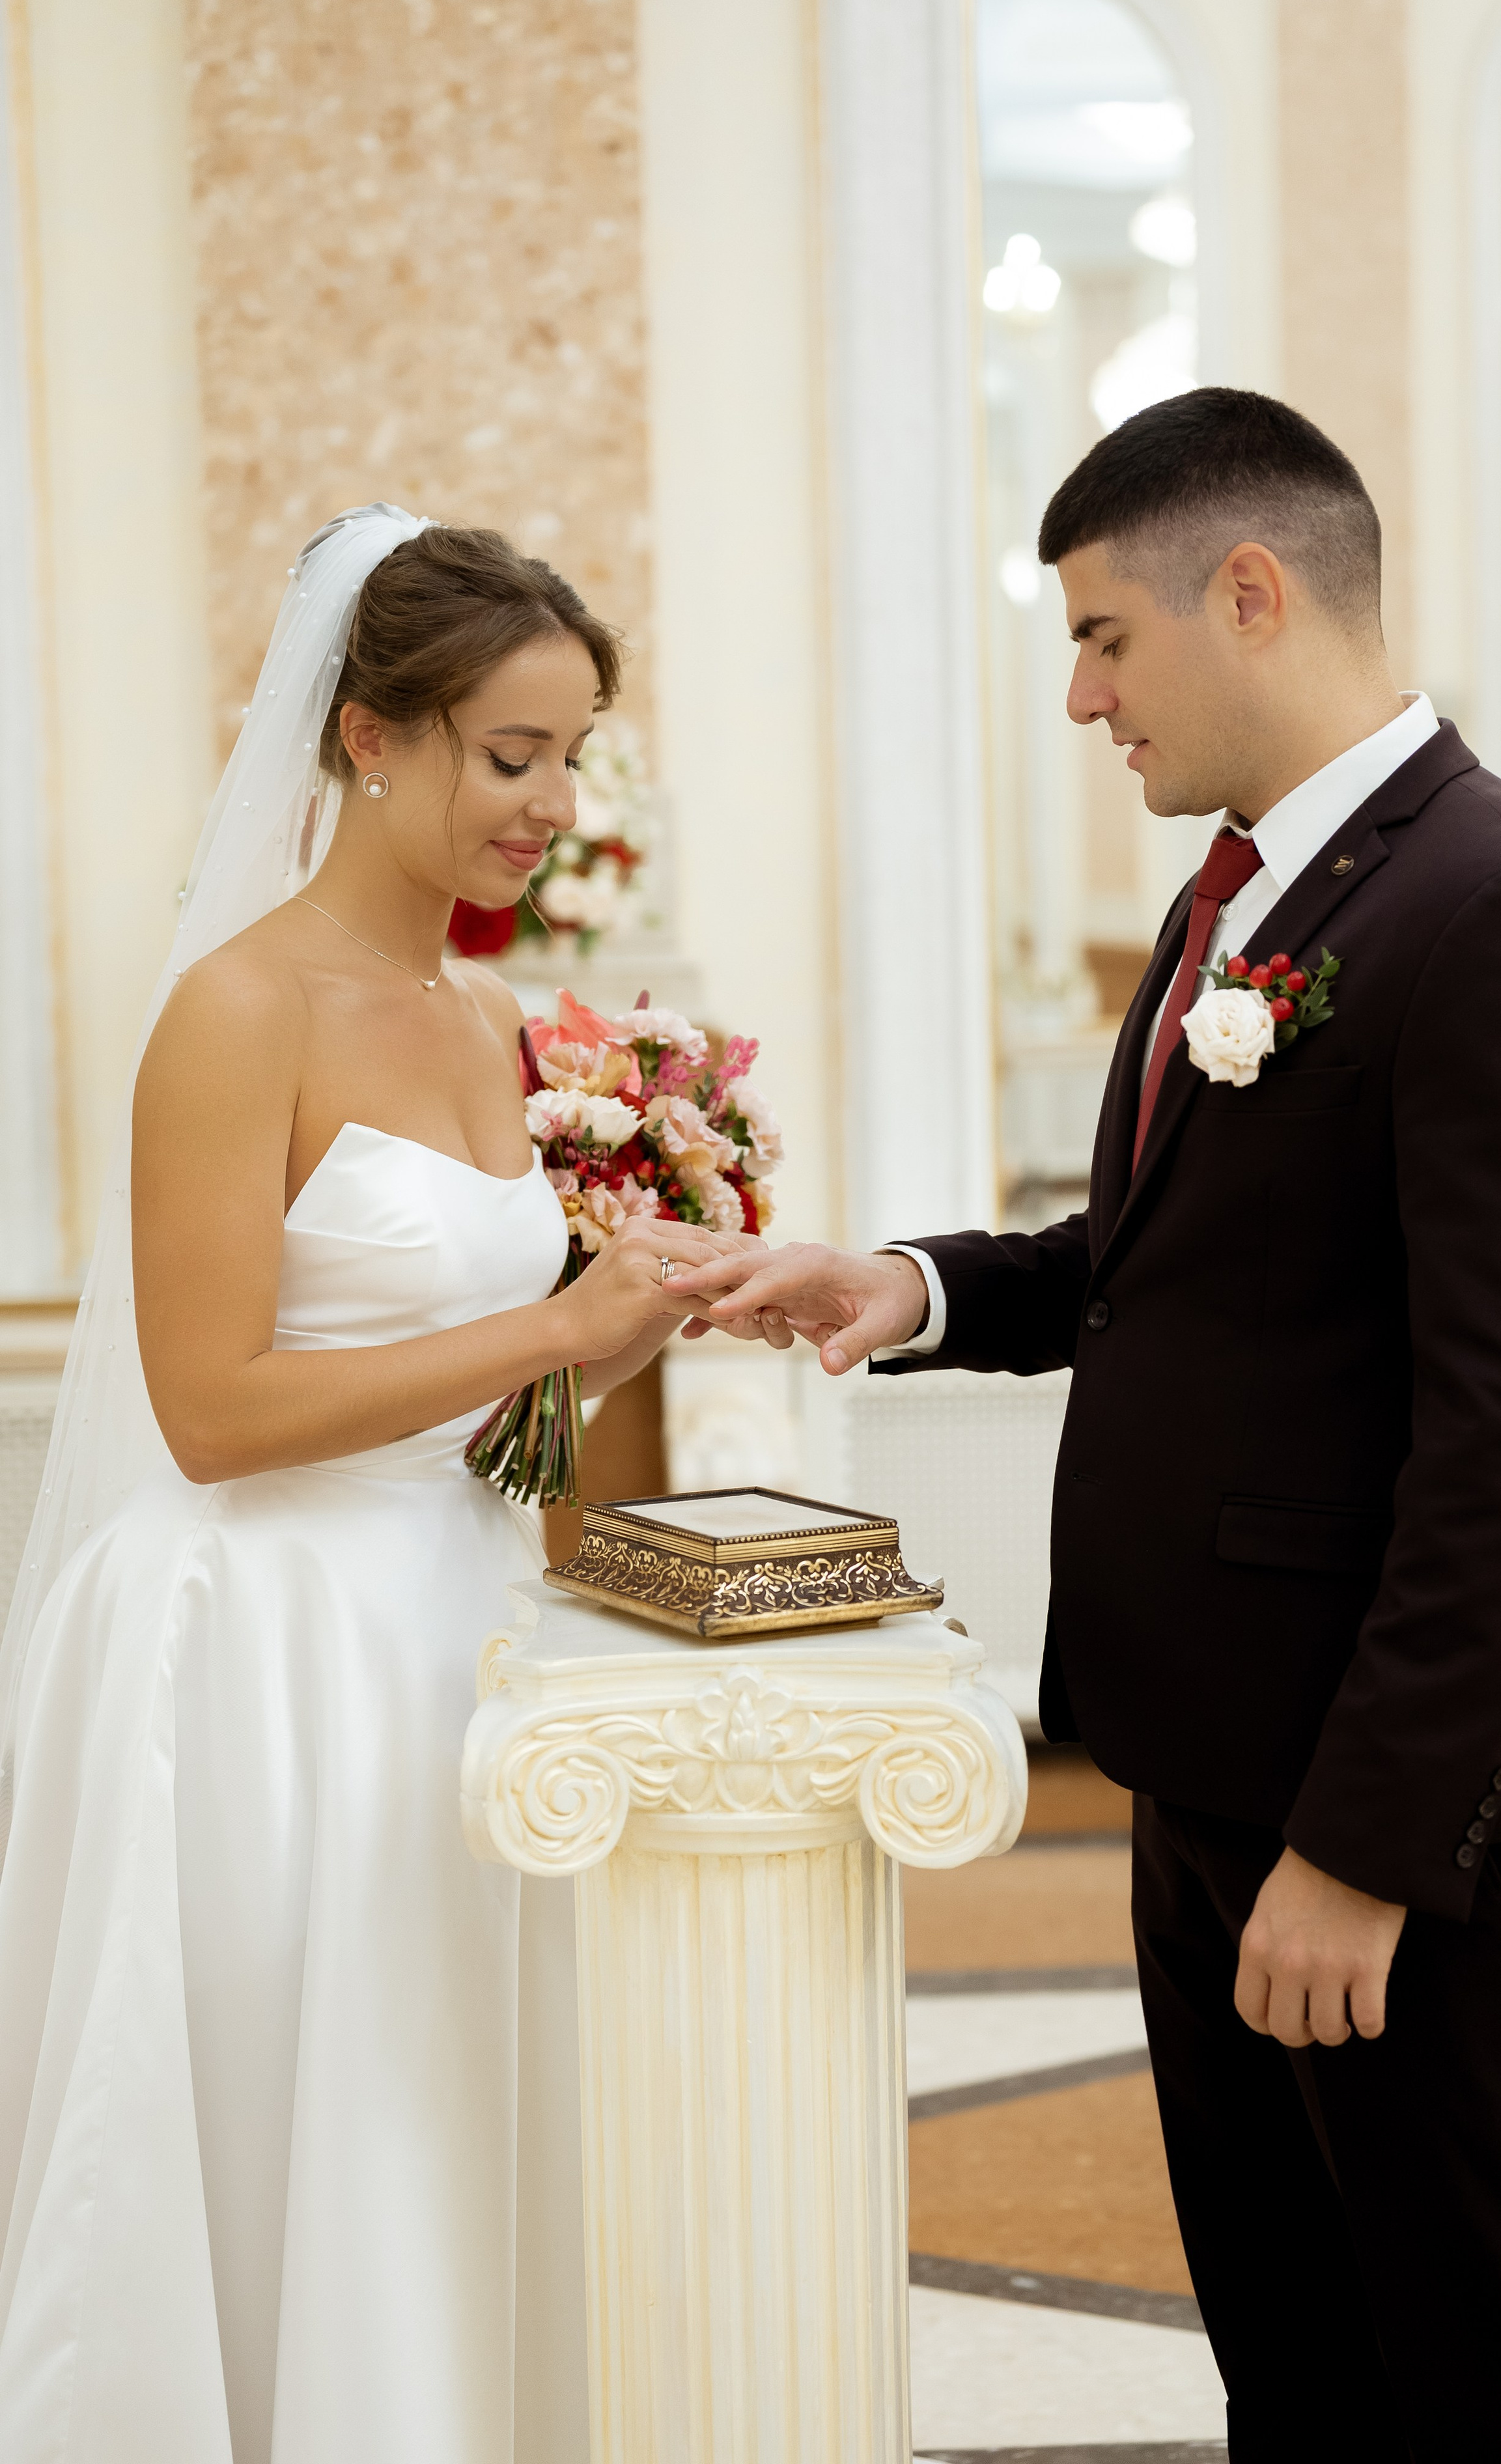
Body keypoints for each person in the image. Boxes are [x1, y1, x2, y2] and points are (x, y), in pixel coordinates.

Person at [675, 391, 1501, 2462]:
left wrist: (1364, 1855)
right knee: (1301, 2365)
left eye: (1104, 636)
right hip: (1216, 1768)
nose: (1078, 697)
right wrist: (921, 1288)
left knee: (1494, 2380)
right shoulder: (1250, 900)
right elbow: (1177, 1261)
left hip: (1392, 1819)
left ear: (1251, 590)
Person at [0, 509, 720, 2462]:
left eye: (577, 756)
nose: (554, 804)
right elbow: (216, 1406)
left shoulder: (489, 1019)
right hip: (258, 1648)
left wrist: (622, 1328)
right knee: (273, 2116)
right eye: (514, 755)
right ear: (369, 738)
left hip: (451, 1622)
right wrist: (552, 1338)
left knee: (439, 2100)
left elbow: (475, 1389)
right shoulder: (240, 1010)